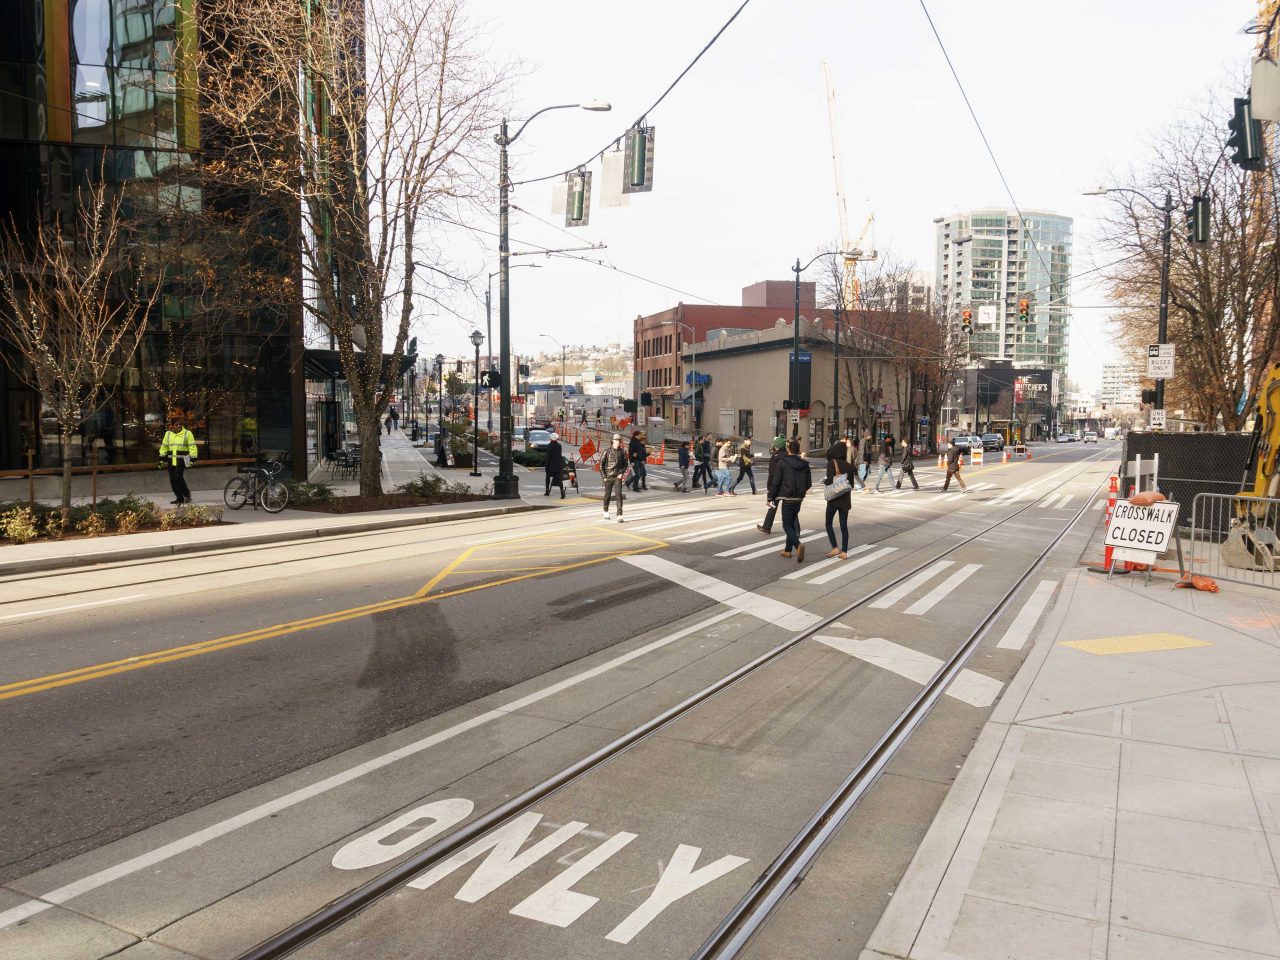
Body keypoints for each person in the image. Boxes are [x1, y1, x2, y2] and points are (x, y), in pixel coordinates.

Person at [768, 438, 812, 560]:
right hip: (799, 498)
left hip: (787, 497)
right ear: (799, 451)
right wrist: (801, 491)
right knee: (792, 523)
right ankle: (788, 550)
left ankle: (798, 545)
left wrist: (770, 497)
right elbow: (809, 483)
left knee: (787, 525)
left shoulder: (783, 463)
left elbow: (776, 482)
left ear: (788, 450)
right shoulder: (805, 464)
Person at [822, 439, 853, 558]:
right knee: (843, 526)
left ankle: (835, 547)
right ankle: (844, 552)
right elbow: (852, 486)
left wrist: (825, 481)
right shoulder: (849, 466)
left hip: (834, 500)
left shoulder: (832, 463)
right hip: (845, 500)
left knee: (828, 523)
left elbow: (829, 480)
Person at [158, 415, 198, 505]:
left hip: (182, 460)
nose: (179, 425)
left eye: (180, 424)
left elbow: (192, 447)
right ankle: (179, 497)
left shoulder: (187, 433)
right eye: (176, 424)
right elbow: (164, 446)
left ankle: (186, 495)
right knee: (172, 479)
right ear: (172, 425)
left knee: (178, 477)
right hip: (171, 460)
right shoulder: (168, 434)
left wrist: (193, 459)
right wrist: (161, 459)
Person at [758, 436, 787, 533]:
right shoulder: (788, 456)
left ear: (777, 447)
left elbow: (772, 474)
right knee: (790, 509)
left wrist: (770, 488)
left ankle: (767, 527)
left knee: (773, 506)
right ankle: (796, 530)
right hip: (787, 485)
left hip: (776, 486)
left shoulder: (775, 458)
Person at [600, 433, 628, 522]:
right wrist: (604, 477)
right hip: (608, 476)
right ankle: (605, 510)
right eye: (616, 440)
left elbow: (625, 465)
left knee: (618, 495)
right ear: (612, 441)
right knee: (607, 495)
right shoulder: (606, 451)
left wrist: (621, 474)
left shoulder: (623, 452)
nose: (617, 442)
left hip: (617, 477)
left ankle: (619, 514)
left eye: (619, 440)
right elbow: (601, 465)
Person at [545, 432, 565, 498]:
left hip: (550, 466)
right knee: (559, 480)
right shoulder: (559, 446)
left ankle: (547, 491)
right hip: (558, 466)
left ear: (551, 438)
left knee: (547, 478)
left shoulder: (549, 446)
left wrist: (546, 465)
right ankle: (562, 493)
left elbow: (548, 457)